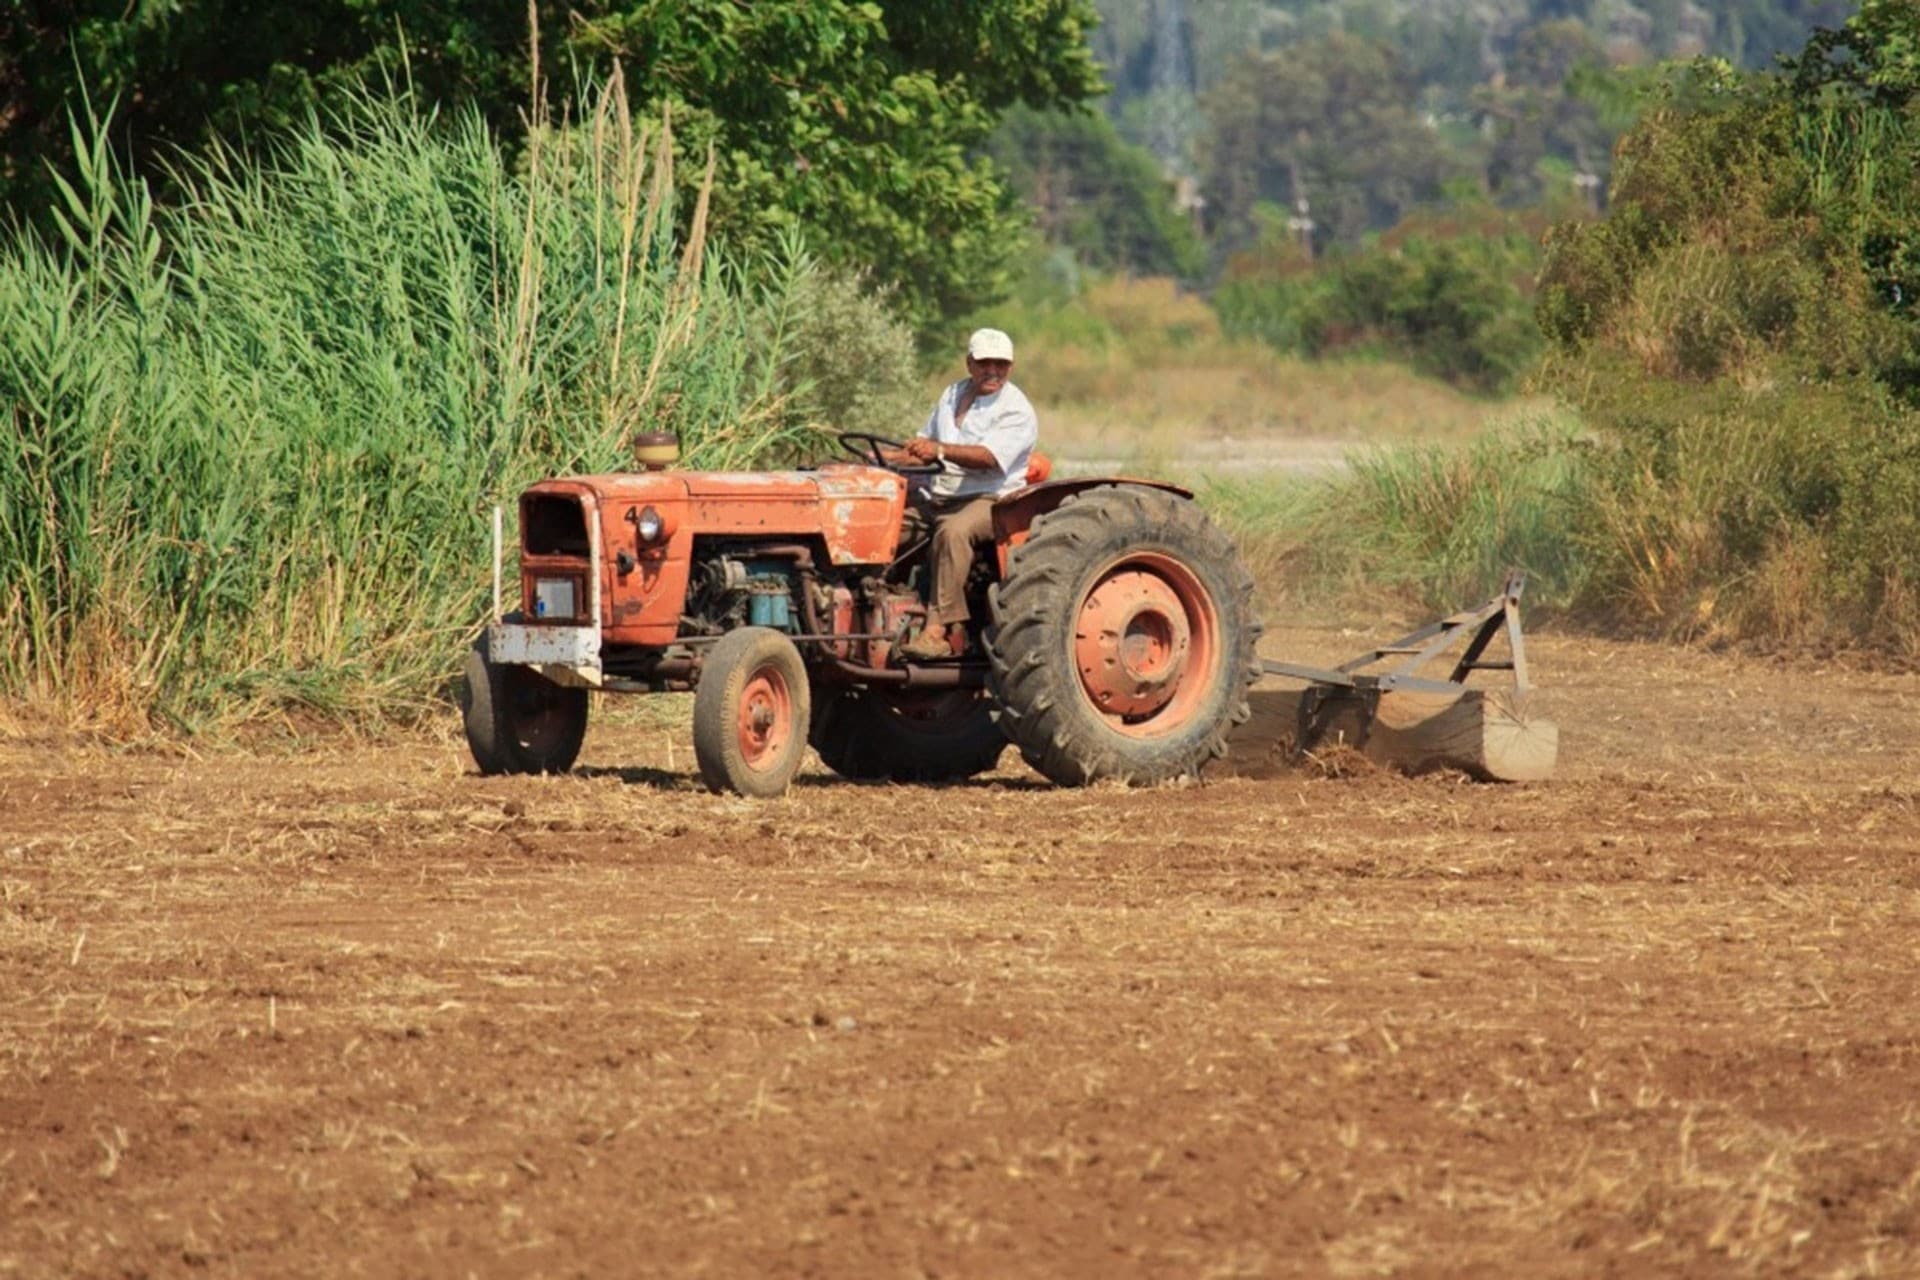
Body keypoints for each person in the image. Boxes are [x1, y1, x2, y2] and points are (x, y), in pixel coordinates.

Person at [889, 327, 1038, 661]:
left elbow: (988, 457)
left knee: (953, 532)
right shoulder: (952, 394)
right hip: (939, 494)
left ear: (1010, 367)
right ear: (970, 363)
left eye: (1001, 364)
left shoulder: (1016, 409)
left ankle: (937, 629)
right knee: (886, 525)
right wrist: (882, 459)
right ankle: (876, 606)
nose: (993, 371)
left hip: (991, 499)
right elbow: (922, 445)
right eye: (985, 363)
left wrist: (938, 450)